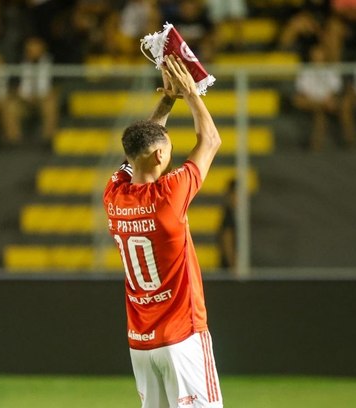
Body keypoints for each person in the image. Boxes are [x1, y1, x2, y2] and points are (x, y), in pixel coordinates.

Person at [103, 55, 223, 408]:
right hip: (182, 335)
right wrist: (189, 93)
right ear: (158, 157)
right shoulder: (169, 196)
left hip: (141, 341)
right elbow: (210, 140)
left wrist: (167, 100)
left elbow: (142, 144)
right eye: (167, 150)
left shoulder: (113, 196)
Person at [217, 178, 237, 274]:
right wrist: (233, 267)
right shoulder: (229, 216)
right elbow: (227, 241)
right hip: (228, 272)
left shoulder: (235, 216)